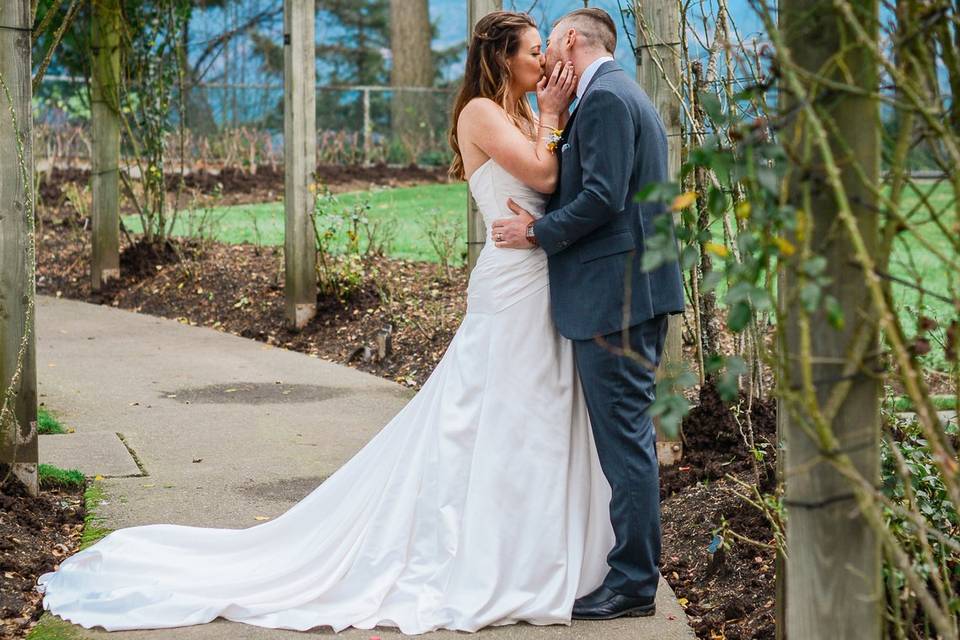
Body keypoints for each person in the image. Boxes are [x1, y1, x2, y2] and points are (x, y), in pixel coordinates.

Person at [34, 11, 622, 634]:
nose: (545, 63)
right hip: (509, 289)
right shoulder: (483, 112)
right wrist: (556, 116)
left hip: (540, 283)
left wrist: (549, 126)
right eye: (534, 51)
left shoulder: (531, 113)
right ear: (504, 58)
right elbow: (544, 174)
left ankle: (531, 545)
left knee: (533, 414)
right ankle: (478, 555)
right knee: (487, 413)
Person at [490, 7, 685, 621]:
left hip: (616, 300)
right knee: (626, 439)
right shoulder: (613, 93)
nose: (546, 57)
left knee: (626, 443)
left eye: (549, 44)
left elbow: (601, 196)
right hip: (625, 294)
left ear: (571, 41)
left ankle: (632, 583)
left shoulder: (604, 101)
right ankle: (630, 572)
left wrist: (538, 233)